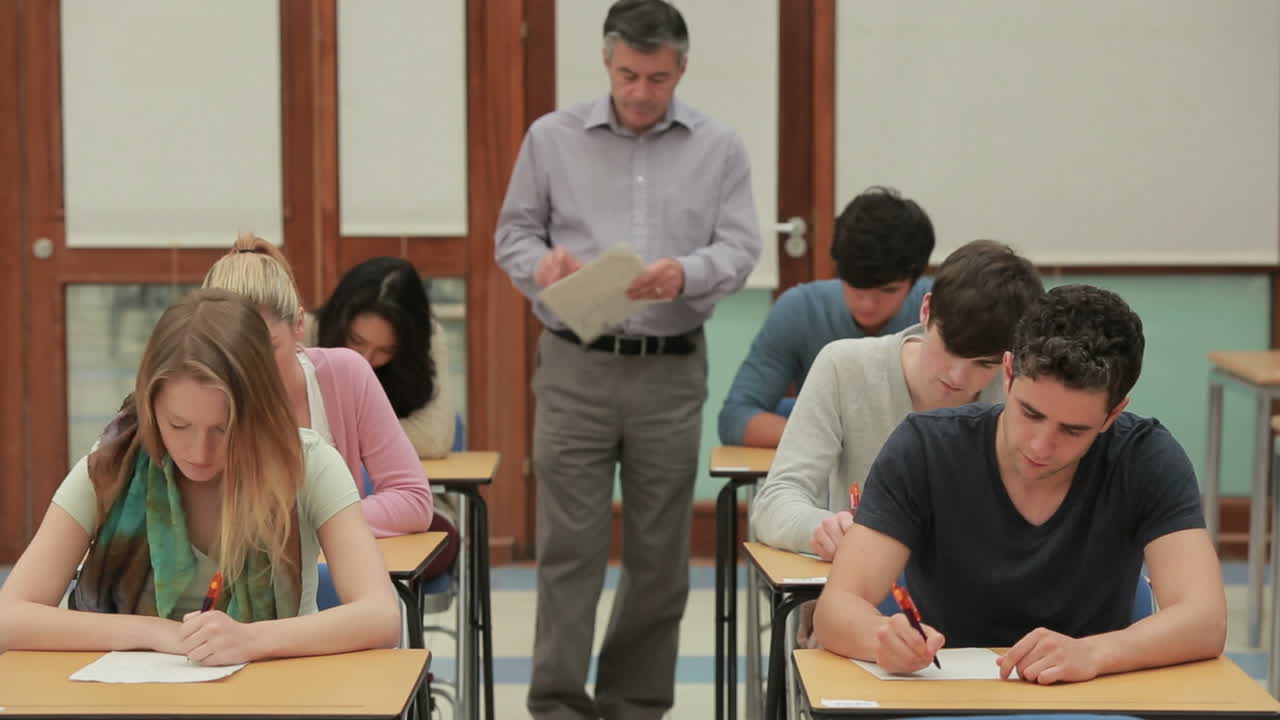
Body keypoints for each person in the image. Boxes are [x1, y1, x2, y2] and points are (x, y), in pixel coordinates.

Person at [494, 1, 761, 717]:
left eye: (658, 78)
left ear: (681, 69)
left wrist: (689, 273)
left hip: (671, 369)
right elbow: (513, 235)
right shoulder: (551, 139)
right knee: (569, 550)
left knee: (658, 556)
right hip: (575, 364)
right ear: (606, 63)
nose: (642, 92)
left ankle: (635, 704)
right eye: (628, 75)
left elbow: (740, 247)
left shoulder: (720, 147)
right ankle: (555, 703)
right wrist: (542, 267)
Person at [813, 285, 1227, 684]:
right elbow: (836, 609)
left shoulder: (1145, 457)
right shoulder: (924, 448)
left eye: (1073, 430)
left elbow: (1205, 619)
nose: (1040, 445)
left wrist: (1095, 653)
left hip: (1090, 696)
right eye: (1030, 413)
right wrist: (881, 638)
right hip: (943, 693)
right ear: (1008, 373)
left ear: (1113, 414)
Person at [0, 290, 400, 664]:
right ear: (149, 405)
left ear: (258, 412)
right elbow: (10, 617)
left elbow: (381, 616)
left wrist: (252, 639)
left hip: (274, 697)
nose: (199, 452)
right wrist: (152, 632)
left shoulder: (307, 464)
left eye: (224, 428)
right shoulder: (111, 467)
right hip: (127, 701)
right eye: (178, 425)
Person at [751, 239, 1043, 560]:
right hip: (862, 590)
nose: (958, 378)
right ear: (927, 310)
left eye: (984, 364)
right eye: (949, 349)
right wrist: (821, 528)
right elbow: (774, 503)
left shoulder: (1020, 394)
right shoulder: (843, 367)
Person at [202, 235, 433, 538]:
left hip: (333, 575)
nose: (251, 368)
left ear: (299, 325)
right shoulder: (195, 392)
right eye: (232, 351)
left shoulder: (345, 374)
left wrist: (316, 522)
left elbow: (413, 499)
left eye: (268, 348)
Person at [719, 186, 935, 448]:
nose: (867, 304)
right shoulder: (800, 309)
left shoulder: (941, 314)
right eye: (855, 285)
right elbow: (736, 418)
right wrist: (836, 441)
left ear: (915, 281)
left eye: (887, 290)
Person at [311, 256, 456, 459]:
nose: (365, 360)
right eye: (356, 340)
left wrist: (339, 435)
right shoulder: (308, 333)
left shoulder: (428, 338)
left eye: (385, 350)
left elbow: (434, 440)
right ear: (340, 324)